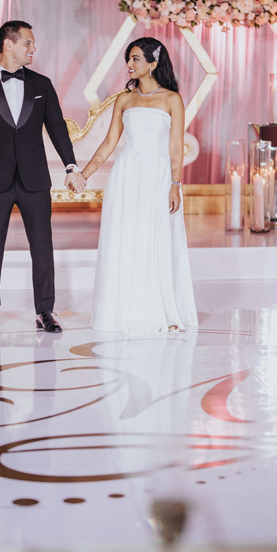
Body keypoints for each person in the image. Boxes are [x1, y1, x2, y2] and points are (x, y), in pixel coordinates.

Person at [0, 20, 85, 337]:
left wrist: (71, 167)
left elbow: (57, 127)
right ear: (8, 44)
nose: (33, 48)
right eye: (27, 42)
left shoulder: (42, 84)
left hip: (35, 179)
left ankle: (45, 310)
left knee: (42, 247)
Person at [76, 37, 198, 335]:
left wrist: (174, 185)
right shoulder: (124, 99)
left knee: (156, 239)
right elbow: (108, 144)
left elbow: (175, 147)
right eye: (128, 59)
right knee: (125, 238)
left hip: (157, 177)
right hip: (127, 176)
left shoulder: (172, 99)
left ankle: (162, 309)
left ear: (153, 64)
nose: (129, 65)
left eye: (135, 59)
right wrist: (85, 174)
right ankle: (122, 310)